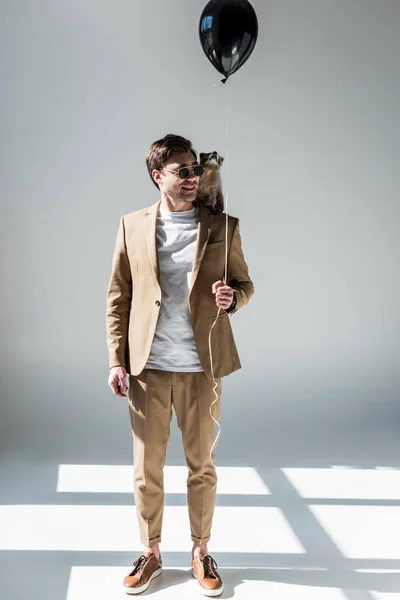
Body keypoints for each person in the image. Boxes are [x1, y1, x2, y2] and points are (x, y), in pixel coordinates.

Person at [106, 133, 254, 595]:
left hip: (201, 368)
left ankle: (199, 550)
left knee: (201, 465)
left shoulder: (222, 225)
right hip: (147, 367)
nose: (193, 178)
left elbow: (245, 283)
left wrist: (233, 300)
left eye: (196, 170)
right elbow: (119, 296)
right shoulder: (132, 225)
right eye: (182, 171)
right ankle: (151, 553)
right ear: (158, 176)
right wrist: (116, 360)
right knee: (146, 467)